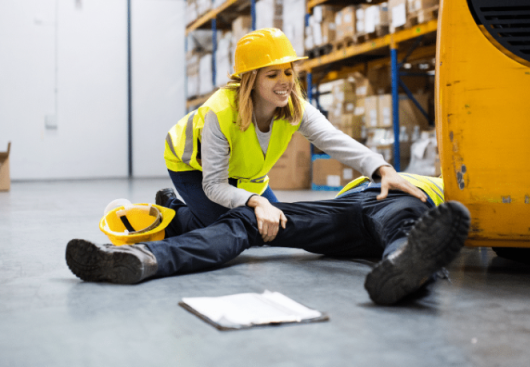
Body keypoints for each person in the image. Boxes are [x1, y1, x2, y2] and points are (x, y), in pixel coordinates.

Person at [160, 27, 427, 242]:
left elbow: (332, 139)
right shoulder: (219, 115)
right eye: (272, 74)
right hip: (192, 167)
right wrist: (255, 202)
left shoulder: (294, 107)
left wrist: (382, 169)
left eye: (288, 71)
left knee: (271, 227)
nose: (285, 81)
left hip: (244, 174)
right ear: (251, 79)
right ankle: (172, 208)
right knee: (223, 226)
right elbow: (214, 185)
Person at [66, 174, 471, 305]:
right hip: (346, 207)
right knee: (250, 217)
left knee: (407, 229)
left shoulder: (450, 178)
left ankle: (405, 267)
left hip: (403, 203)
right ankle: (143, 257)